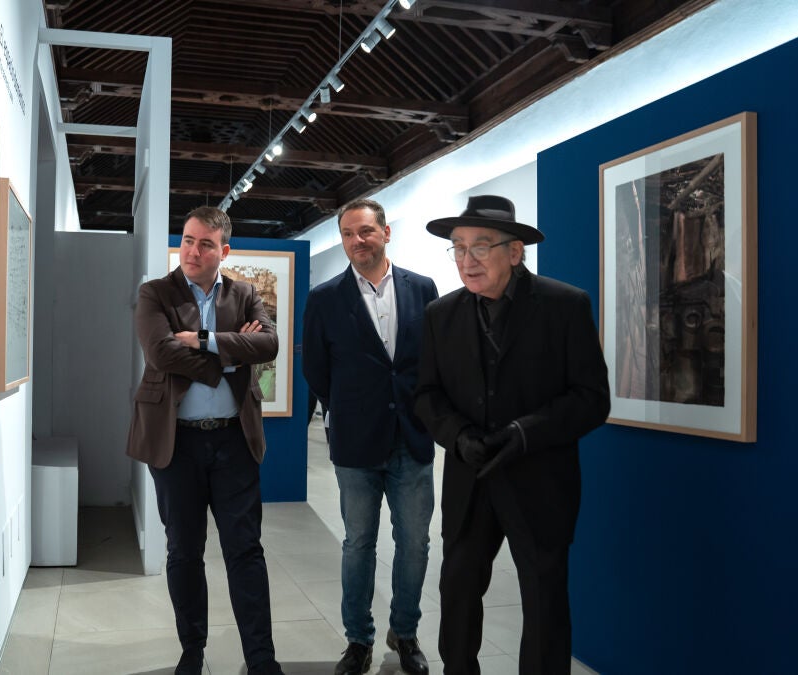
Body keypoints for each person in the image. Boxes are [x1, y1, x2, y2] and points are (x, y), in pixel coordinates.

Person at [413, 195, 611, 675]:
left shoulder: (565, 306)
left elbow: (592, 398)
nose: (467, 260)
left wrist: (524, 433)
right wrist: (458, 435)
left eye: (480, 247)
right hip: (470, 480)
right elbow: (427, 395)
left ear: (515, 252)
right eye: (458, 248)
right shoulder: (441, 314)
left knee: (544, 600)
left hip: (540, 480)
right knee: (458, 592)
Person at [126, 206, 284, 675]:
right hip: (176, 445)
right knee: (184, 552)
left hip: (234, 442)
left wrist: (203, 339)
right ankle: (192, 651)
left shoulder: (245, 293)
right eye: (188, 241)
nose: (193, 251)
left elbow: (270, 345)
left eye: (206, 244)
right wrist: (230, 356)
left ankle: (261, 659)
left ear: (224, 251)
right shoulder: (156, 293)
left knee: (246, 551)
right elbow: (160, 353)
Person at [302, 199, 438, 675]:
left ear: (386, 232)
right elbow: (316, 369)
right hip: (356, 444)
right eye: (347, 234)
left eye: (365, 231)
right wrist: (348, 410)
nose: (356, 241)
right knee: (358, 544)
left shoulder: (423, 288)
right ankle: (358, 640)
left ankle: (405, 631)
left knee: (415, 543)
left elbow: (433, 360)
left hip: (412, 439)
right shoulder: (324, 298)